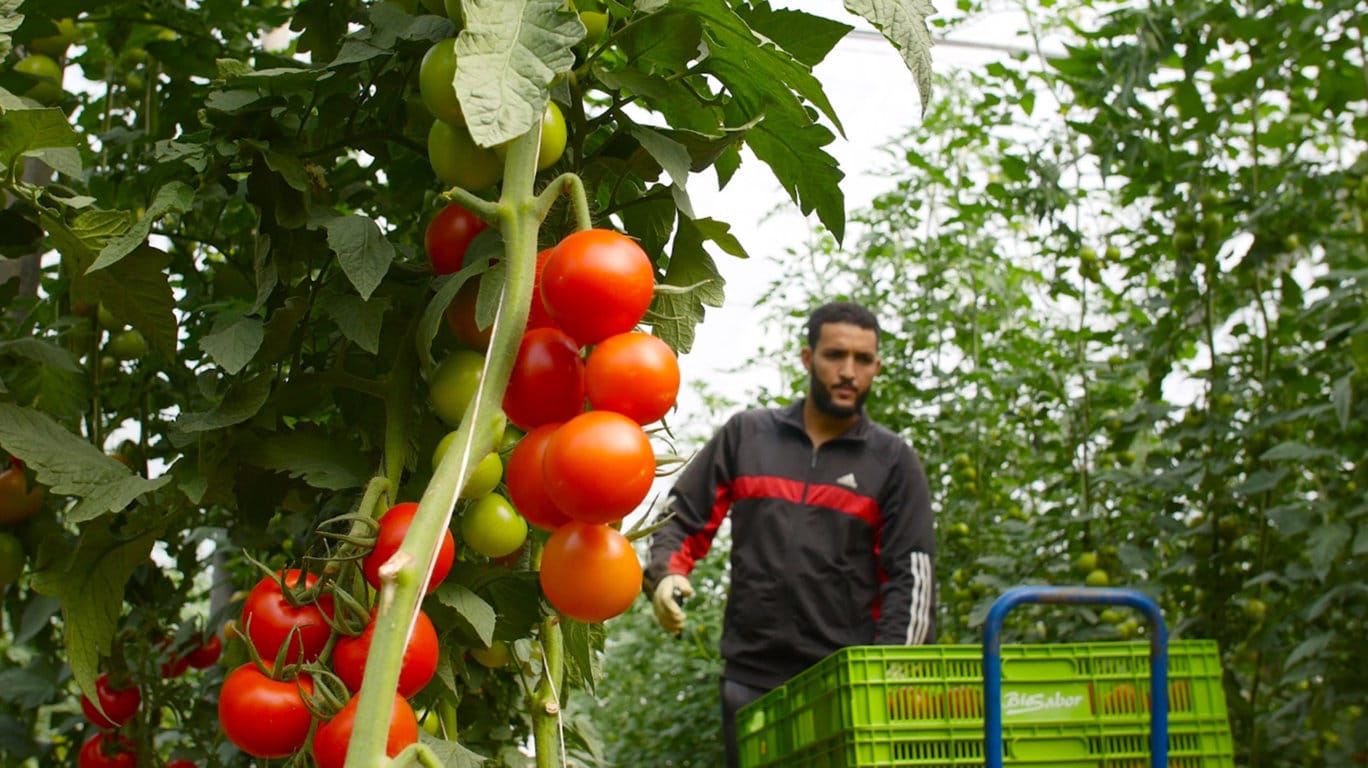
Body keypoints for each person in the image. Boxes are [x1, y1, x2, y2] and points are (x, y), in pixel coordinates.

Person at [644, 301, 936, 768]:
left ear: (877, 367)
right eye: (835, 355)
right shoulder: (748, 436)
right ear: (807, 358)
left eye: (863, 360)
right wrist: (664, 575)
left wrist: (886, 676)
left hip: (844, 683)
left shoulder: (893, 462)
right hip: (750, 678)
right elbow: (681, 517)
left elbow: (912, 580)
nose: (848, 372)